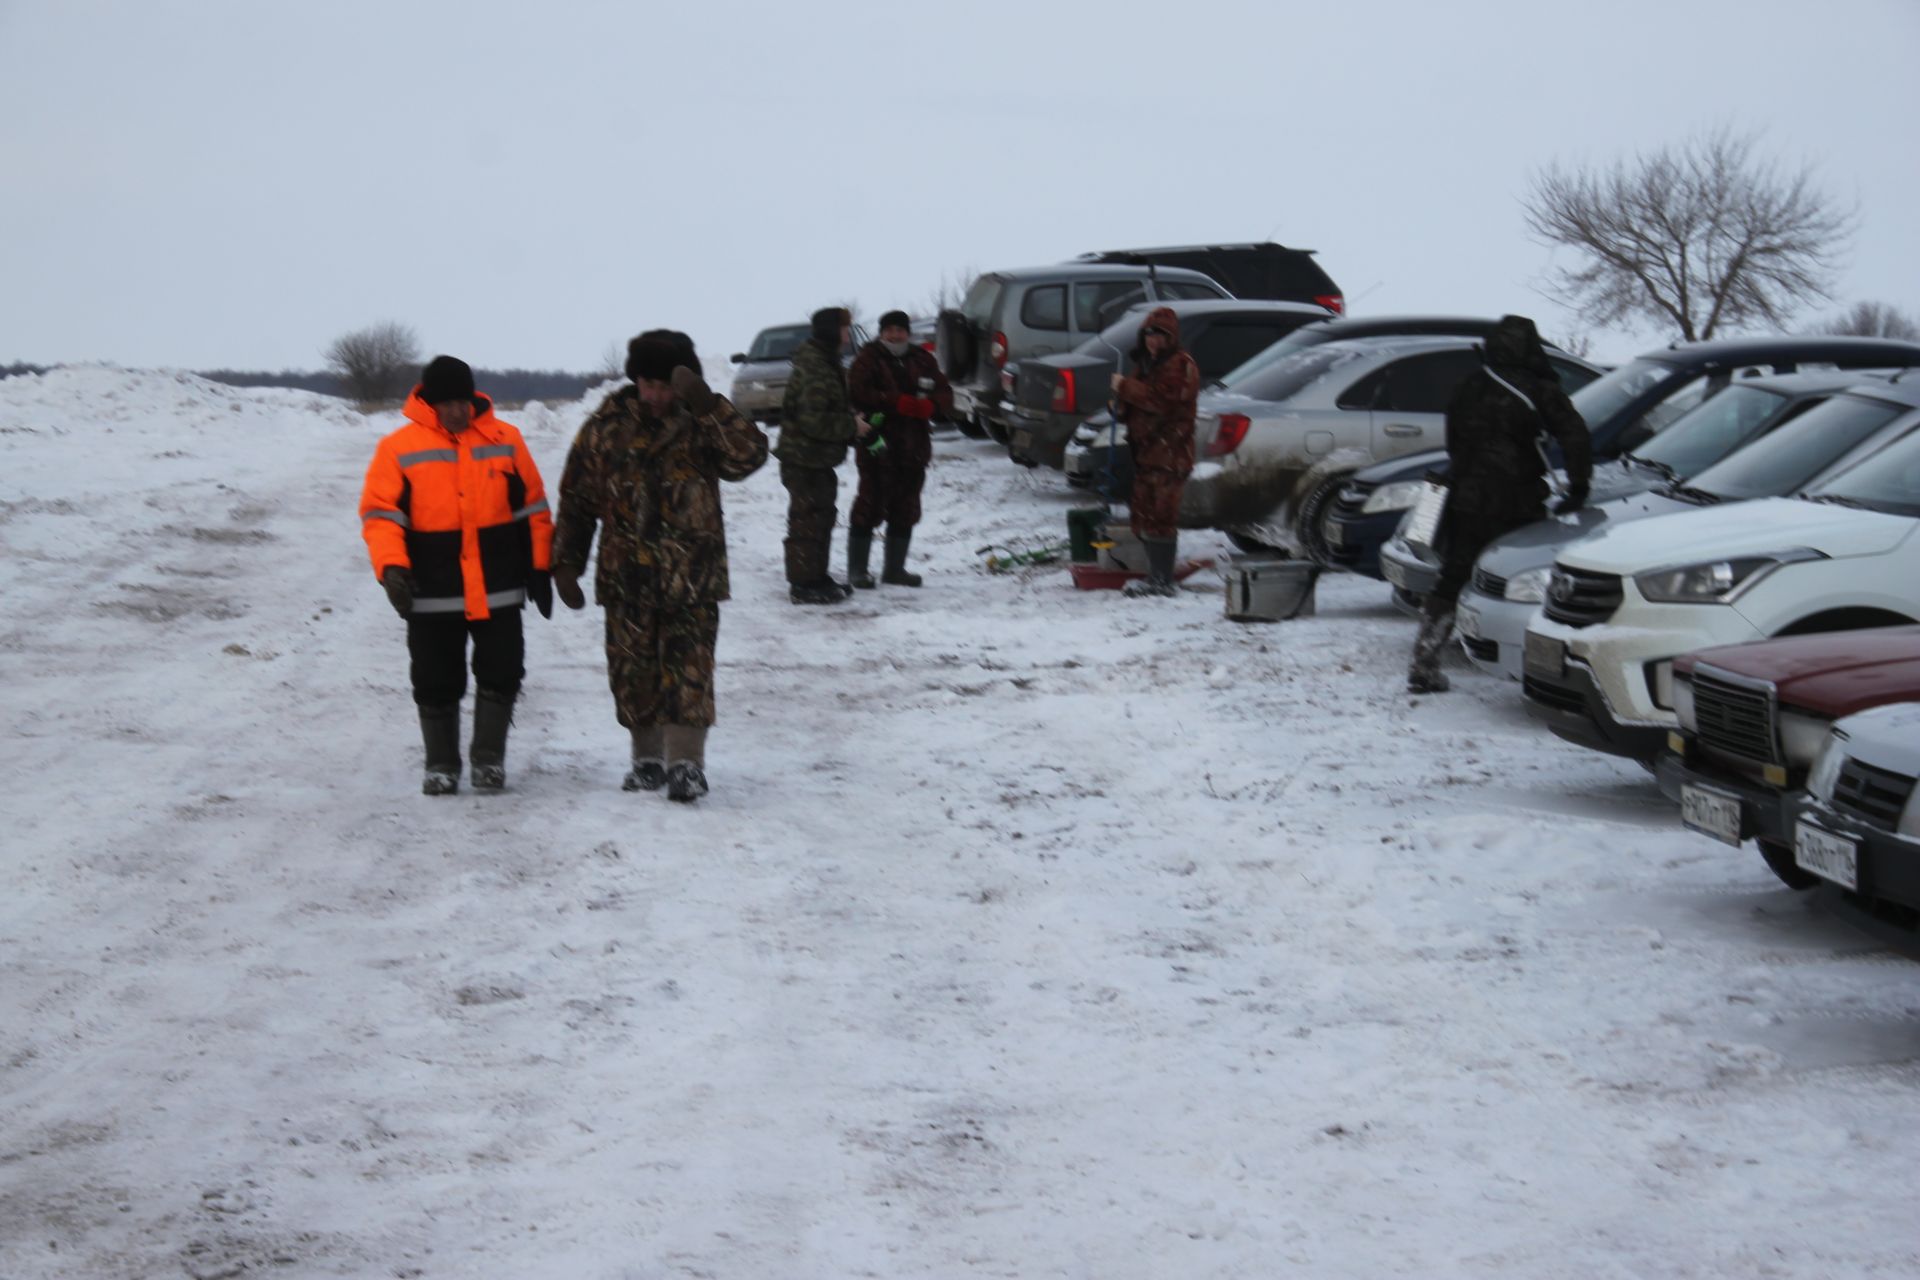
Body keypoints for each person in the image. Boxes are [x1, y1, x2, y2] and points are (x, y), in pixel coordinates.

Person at [551, 330, 768, 802]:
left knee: (690, 670)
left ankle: (687, 764)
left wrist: (708, 405)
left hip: (692, 575)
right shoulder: (607, 423)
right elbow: (578, 497)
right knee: (633, 673)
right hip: (626, 575)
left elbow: (748, 457)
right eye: (647, 384)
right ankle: (646, 759)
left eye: (664, 385)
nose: (655, 395)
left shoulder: (701, 420)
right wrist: (566, 560)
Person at [358, 355, 554, 794]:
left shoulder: (508, 440)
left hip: (499, 586)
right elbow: (381, 516)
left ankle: (488, 760)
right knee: (435, 679)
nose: (456, 411)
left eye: (462, 401)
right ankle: (441, 765)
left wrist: (540, 567)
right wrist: (392, 568)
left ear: (473, 398)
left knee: (503, 671)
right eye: (446, 402)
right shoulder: (398, 448)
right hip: (431, 591)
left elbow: (535, 511)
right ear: (428, 401)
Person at [1408, 314, 1591, 694]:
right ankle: (1539, 669)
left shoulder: (1470, 384)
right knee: (1526, 580)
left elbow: (1454, 441)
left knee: (1453, 576)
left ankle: (1425, 661)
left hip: (1466, 495)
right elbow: (1575, 436)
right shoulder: (1541, 389)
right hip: (1518, 501)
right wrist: (1578, 485)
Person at [845, 309, 954, 588]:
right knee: (869, 505)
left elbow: (945, 392)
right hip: (877, 445)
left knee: (906, 508)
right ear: (881, 332)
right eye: (890, 329)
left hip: (913, 447)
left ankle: (895, 569)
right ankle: (858, 571)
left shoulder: (922, 359)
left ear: (908, 332)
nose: (895, 335)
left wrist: (933, 405)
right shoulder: (867, 359)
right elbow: (856, 392)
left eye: (900, 330)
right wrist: (895, 402)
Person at [1110, 306, 1201, 597]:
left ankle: (1162, 580)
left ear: (1171, 337)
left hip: (1170, 455)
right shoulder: (1147, 365)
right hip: (1145, 454)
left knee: (1162, 516)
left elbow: (1162, 401)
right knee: (1143, 515)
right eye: (1149, 333)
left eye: (1160, 334)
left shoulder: (1180, 364)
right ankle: (1155, 576)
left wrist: (1125, 387)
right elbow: (1136, 403)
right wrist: (1120, 406)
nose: (1153, 340)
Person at [775, 306, 860, 604]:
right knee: (807, 519)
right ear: (833, 331)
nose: (848, 335)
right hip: (803, 458)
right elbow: (814, 420)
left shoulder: (825, 361)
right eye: (845, 329)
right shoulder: (816, 366)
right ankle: (803, 584)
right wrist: (852, 426)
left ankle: (816, 576)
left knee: (822, 516)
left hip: (816, 458)